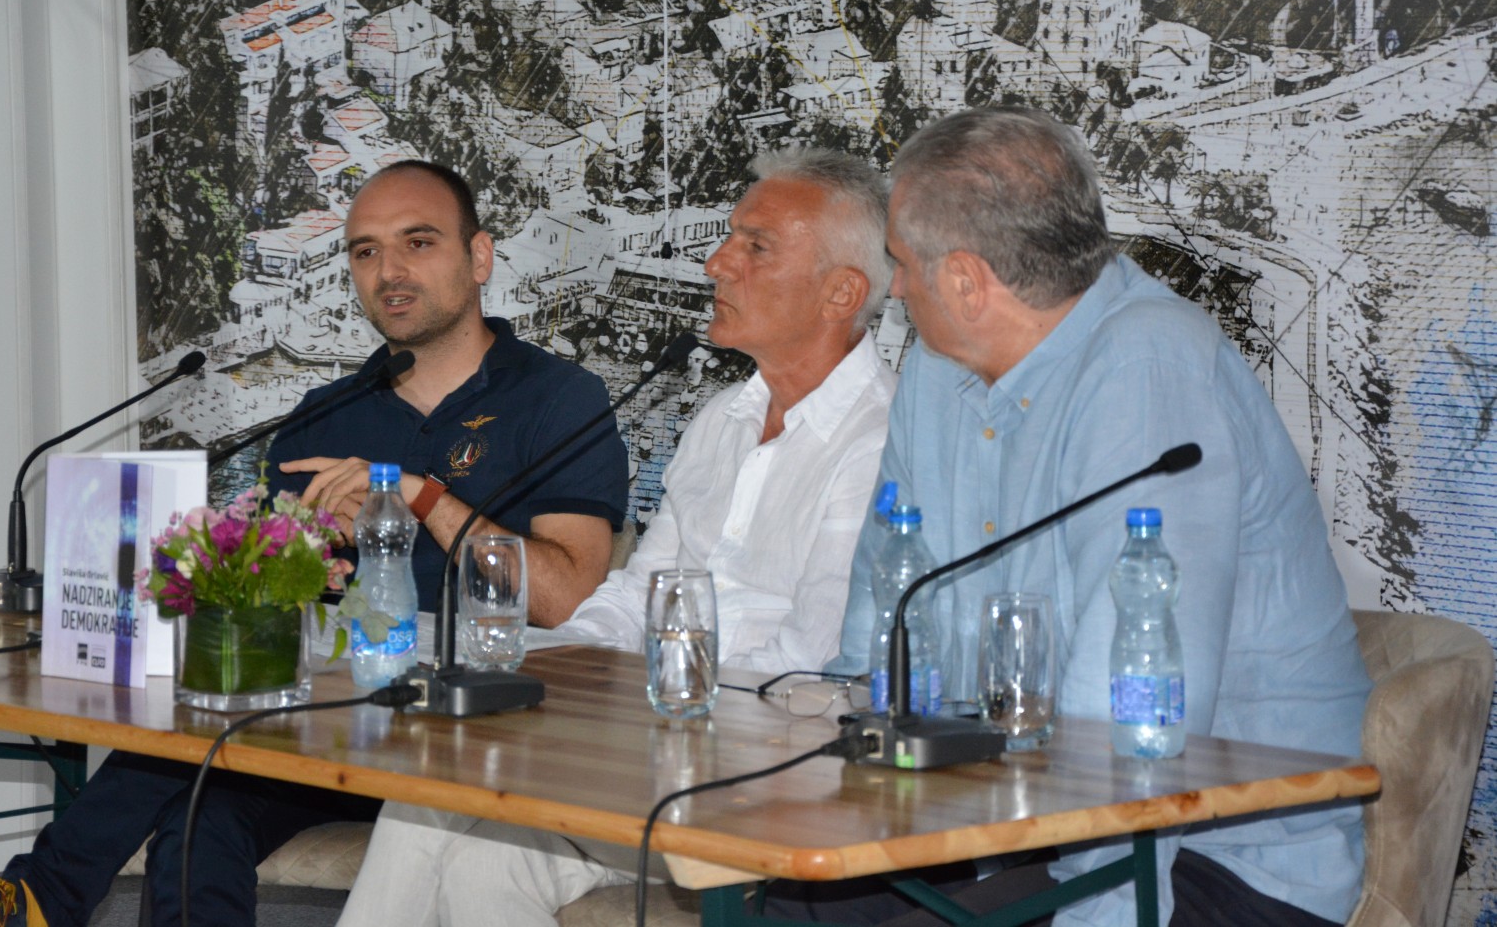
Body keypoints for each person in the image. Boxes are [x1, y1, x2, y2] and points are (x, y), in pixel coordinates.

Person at [0, 161, 629, 927]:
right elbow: (279, 608)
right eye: (366, 251)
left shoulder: (560, 397)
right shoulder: (325, 414)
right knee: (201, 812)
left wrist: (421, 497)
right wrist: (282, 563)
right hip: (336, 721)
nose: (389, 270)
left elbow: (565, 597)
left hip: (486, 725)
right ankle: (39, 894)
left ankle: (39, 893)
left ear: (478, 257)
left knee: (203, 759)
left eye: (418, 242)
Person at [792, 107, 1371, 926]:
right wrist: (843, 776)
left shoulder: (1149, 366)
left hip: (1215, 852)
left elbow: (1132, 726)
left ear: (965, 281)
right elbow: (885, 601)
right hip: (1000, 821)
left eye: (902, 263)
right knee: (773, 904)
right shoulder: (935, 369)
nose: (895, 286)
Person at [334, 147, 899, 927]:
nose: (716, 263)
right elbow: (637, 593)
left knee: (442, 798)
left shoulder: (882, 441)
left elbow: (814, 667)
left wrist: (619, 706)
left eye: (755, 246)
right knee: (453, 823)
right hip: (654, 742)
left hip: (769, 772)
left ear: (842, 292)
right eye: (727, 238)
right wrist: (546, 668)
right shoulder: (722, 420)